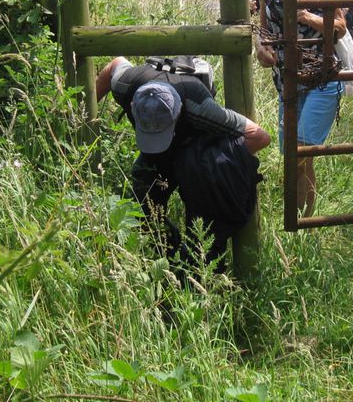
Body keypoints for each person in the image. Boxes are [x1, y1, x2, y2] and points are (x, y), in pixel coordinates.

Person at [96, 56, 270, 265]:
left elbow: (259, 137)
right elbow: (116, 63)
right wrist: (85, 110)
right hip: (161, 154)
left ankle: (200, 267)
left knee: (205, 227)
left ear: (178, 111)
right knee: (141, 209)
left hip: (196, 149)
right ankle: (170, 254)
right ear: (132, 104)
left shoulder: (200, 106)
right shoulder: (125, 84)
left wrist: (207, 159)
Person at [255, 0, 346, 217]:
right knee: (293, 154)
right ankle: (301, 220)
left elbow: (341, 27)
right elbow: (264, 32)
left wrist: (307, 17)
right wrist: (262, 48)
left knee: (301, 149)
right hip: (287, 81)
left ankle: (302, 219)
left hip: (321, 76)